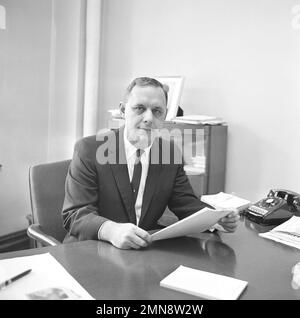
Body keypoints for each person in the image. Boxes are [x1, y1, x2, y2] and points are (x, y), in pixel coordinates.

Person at [62, 77, 239, 249]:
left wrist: (216, 219)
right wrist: (111, 230)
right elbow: (76, 214)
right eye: (140, 108)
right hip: (90, 249)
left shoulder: (169, 153)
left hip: (141, 251)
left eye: (157, 111)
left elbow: (185, 202)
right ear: (123, 111)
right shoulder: (89, 149)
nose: (149, 118)